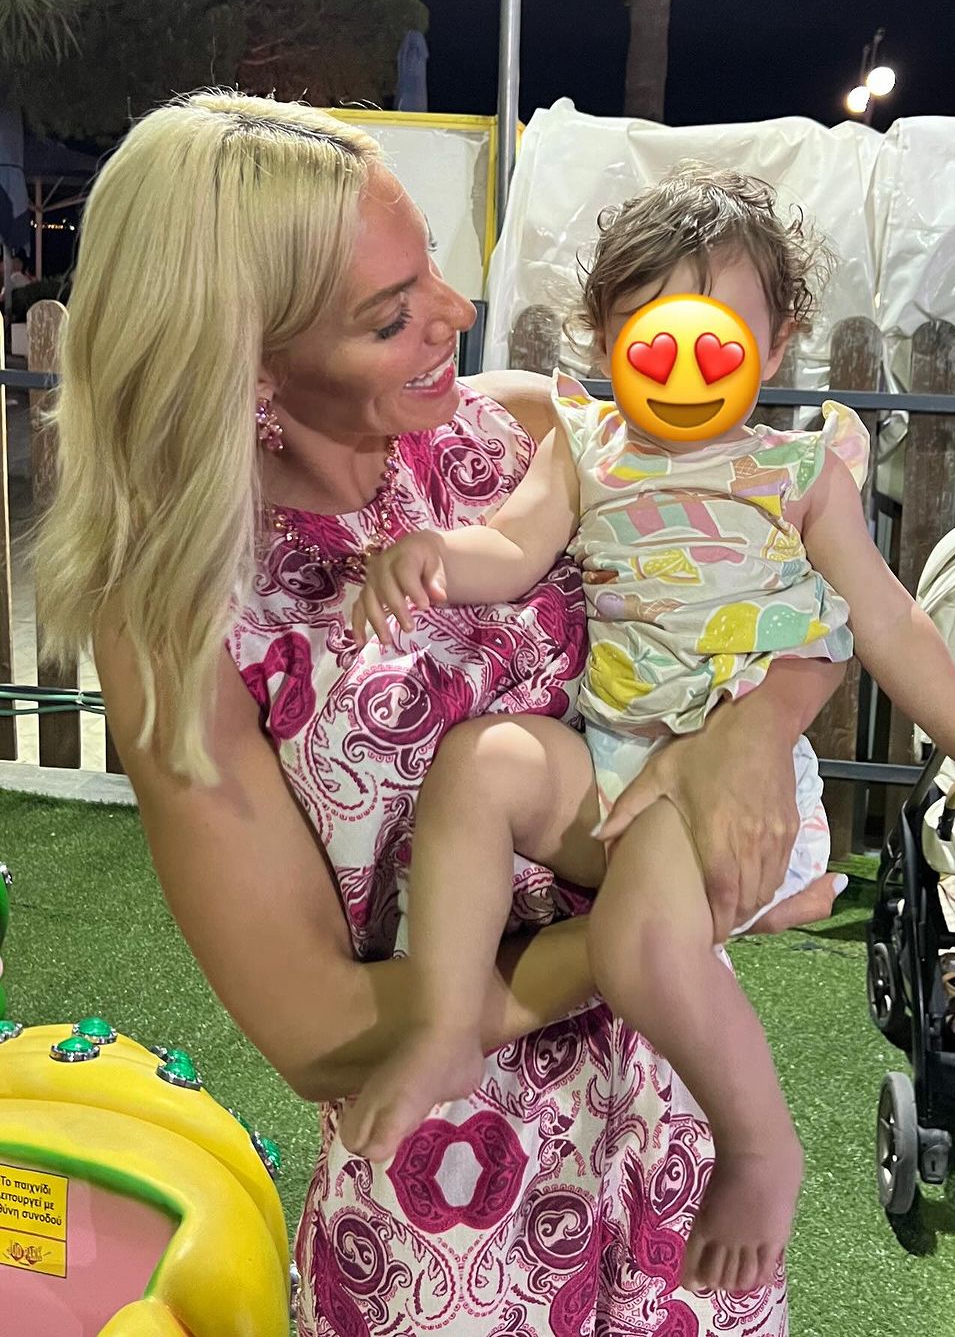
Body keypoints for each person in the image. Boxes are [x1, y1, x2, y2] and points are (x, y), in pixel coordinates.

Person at [35, 93, 855, 1336]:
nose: (456, 315)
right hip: (451, 1209)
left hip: (685, 1139)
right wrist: (651, 930)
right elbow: (316, 1031)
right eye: (389, 314)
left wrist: (756, 740)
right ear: (248, 364)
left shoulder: (526, 434)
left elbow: (772, 602)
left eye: (431, 265)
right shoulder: (179, 620)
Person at [345, 164, 955, 1294]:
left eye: (720, 335)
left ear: (775, 349)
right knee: (481, 763)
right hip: (609, 760)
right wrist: (436, 555)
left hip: (730, 785)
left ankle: (761, 1143)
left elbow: (886, 620)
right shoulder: (585, 447)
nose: (683, 365)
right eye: (650, 331)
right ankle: (444, 1020)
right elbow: (514, 547)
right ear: (604, 337)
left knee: (638, 946)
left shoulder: (798, 473)